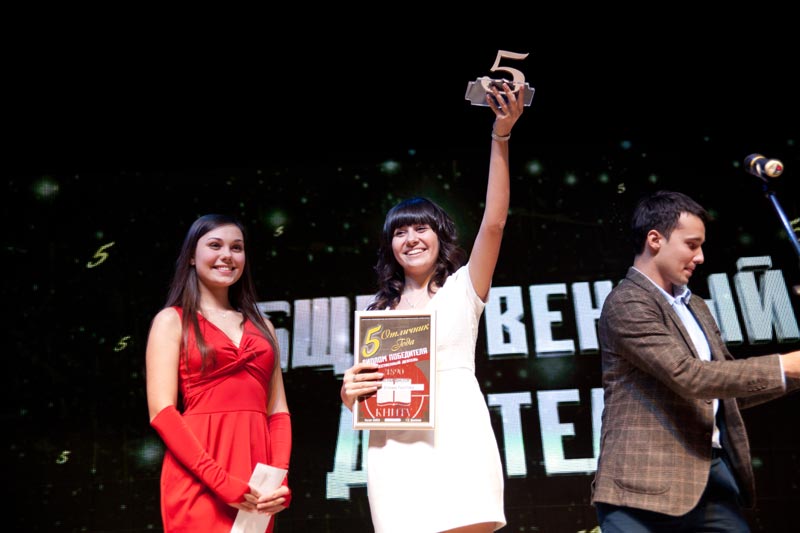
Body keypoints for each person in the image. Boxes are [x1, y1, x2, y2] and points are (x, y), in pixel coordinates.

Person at [340, 81, 525, 533]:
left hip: (458, 439)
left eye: (421, 228)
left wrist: (500, 136)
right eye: (400, 232)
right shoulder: (378, 315)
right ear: (390, 246)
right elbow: (366, 395)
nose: (411, 239)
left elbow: (495, 222)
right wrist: (350, 394)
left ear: (440, 236)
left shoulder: (464, 288)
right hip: (394, 451)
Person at [591, 190, 800, 532]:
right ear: (655, 240)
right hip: (641, 491)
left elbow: (727, 389)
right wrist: (787, 364)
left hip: (709, 479)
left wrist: (795, 374)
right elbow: (689, 376)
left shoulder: (696, 306)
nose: (700, 257)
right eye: (691, 245)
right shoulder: (627, 302)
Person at [145, 214, 292, 532]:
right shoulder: (171, 321)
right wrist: (221, 482)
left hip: (255, 485)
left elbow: (278, 412)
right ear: (191, 257)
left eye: (236, 248)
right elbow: (162, 413)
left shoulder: (264, 327)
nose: (227, 255)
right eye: (215, 245)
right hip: (199, 478)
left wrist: (278, 480)